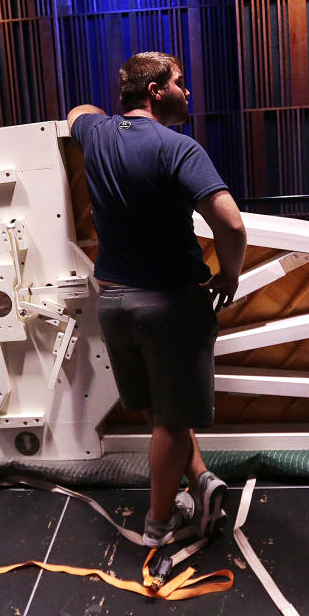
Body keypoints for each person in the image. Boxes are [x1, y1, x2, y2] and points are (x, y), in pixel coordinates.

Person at [67, 52, 247, 547]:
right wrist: (229, 274)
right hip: (169, 306)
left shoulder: (96, 134)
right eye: (180, 83)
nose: (187, 93)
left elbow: (77, 112)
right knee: (171, 420)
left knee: (154, 409)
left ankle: (202, 481)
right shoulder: (179, 148)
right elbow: (230, 223)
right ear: (155, 92)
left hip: (114, 305)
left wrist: (103, 118)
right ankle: (159, 526)